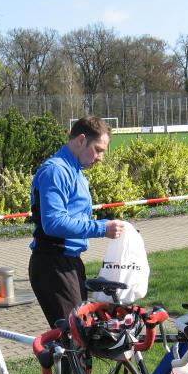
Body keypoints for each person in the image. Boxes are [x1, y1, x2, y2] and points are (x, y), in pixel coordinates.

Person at [28, 115, 127, 328]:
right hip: (52, 263)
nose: (100, 158)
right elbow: (54, 222)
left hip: (70, 261)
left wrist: (105, 224)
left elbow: (75, 217)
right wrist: (102, 228)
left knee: (82, 337)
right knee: (75, 338)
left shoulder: (77, 172)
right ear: (81, 140)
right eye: (98, 150)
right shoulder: (56, 171)